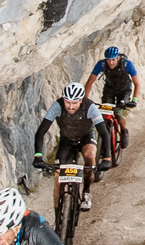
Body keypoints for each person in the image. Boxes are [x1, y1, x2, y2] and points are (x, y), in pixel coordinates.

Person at [33, 82, 110, 210]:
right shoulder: (57, 106)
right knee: (57, 179)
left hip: (86, 137)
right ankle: (58, 221)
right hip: (67, 140)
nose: (71, 106)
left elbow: (104, 133)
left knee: (90, 155)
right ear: (63, 100)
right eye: (68, 102)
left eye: (75, 103)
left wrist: (106, 159)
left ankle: (86, 192)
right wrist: (38, 155)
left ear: (81, 100)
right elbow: (41, 131)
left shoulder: (90, 107)